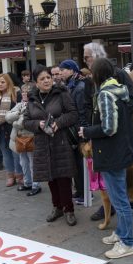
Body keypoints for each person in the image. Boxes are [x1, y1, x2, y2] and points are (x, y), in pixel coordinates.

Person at [80, 57, 133, 259]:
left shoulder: (105, 94)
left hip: (112, 153)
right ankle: (121, 233)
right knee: (118, 197)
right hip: (119, 150)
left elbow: (108, 128)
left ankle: (127, 242)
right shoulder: (118, 89)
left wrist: (86, 131)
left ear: (97, 75)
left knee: (119, 200)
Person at [82, 42, 133, 222]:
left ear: (97, 56)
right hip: (100, 136)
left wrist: (119, 117)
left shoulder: (119, 74)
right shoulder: (90, 80)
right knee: (106, 176)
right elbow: (89, 106)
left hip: (118, 135)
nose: (85, 61)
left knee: (121, 172)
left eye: (87, 57)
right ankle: (109, 205)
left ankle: (132, 205)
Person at [24, 65, 79, 225]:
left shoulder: (61, 93)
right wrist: (38, 125)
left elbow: (73, 114)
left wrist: (58, 123)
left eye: (48, 77)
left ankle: (69, 209)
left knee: (63, 177)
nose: (47, 80)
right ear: (36, 83)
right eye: (42, 79)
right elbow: (26, 121)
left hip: (60, 141)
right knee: (50, 178)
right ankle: (57, 207)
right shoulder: (32, 98)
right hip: (42, 143)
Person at [58, 59, 87, 202]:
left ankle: (85, 193)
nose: (61, 72)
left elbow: (81, 112)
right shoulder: (68, 85)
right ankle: (80, 190)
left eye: (63, 69)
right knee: (74, 162)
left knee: (80, 163)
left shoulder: (79, 87)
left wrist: (80, 132)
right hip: (71, 129)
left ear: (72, 70)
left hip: (77, 130)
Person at [0, 73, 23, 186]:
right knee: (5, 153)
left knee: (16, 152)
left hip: (12, 129)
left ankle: (19, 175)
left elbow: (21, 109)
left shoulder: (16, 94)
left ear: (8, 82)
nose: (0, 84)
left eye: (3, 82)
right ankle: (10, 175)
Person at [6, 84, 41, 196]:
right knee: (23, 162)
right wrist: (18, 113)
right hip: (20, 138)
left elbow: (23, 123)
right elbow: (7, 116)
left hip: (31, 137)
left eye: (27, 91)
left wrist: (16, 121)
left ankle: (36, 185)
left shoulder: (35, 104)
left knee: (32, 162)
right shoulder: (19, 104)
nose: (25, 93)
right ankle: (27, 182)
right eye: (23, 91)